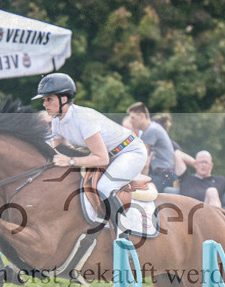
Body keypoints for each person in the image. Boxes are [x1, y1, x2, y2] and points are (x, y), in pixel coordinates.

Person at [35, 73, 147, 235]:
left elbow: (102, 158)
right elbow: (56, 149)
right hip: (111, 155)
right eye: (44, 100)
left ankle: (124, 234)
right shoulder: (57, 122)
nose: (45, 104)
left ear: (64, 99)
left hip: (130, 151)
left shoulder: (83, 118)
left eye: (49, 99)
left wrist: (70, 161)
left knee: (104, 187)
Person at [126, 102, 176, 193]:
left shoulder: (151, 131)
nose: (130, 121)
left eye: (132, 117)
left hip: (164, 175)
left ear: (141, 116)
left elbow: (139, 157)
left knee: (140, 193)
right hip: (163, 174)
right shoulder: (151, 128)